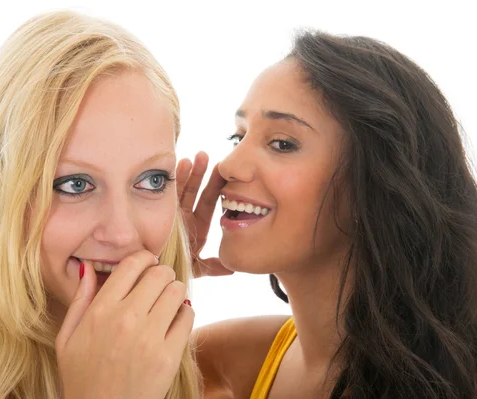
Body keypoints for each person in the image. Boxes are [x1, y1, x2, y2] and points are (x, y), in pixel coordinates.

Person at [0, 10, 206, 399]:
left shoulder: (185, 368)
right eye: (75, 184)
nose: (122, 233)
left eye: (151, 181)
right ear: (2, 189)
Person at [188, 31, 477, 398]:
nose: (229, 165)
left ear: (375, 182)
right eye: (238, 136)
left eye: (282, 143)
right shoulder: (215, 365)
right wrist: (156, 266)